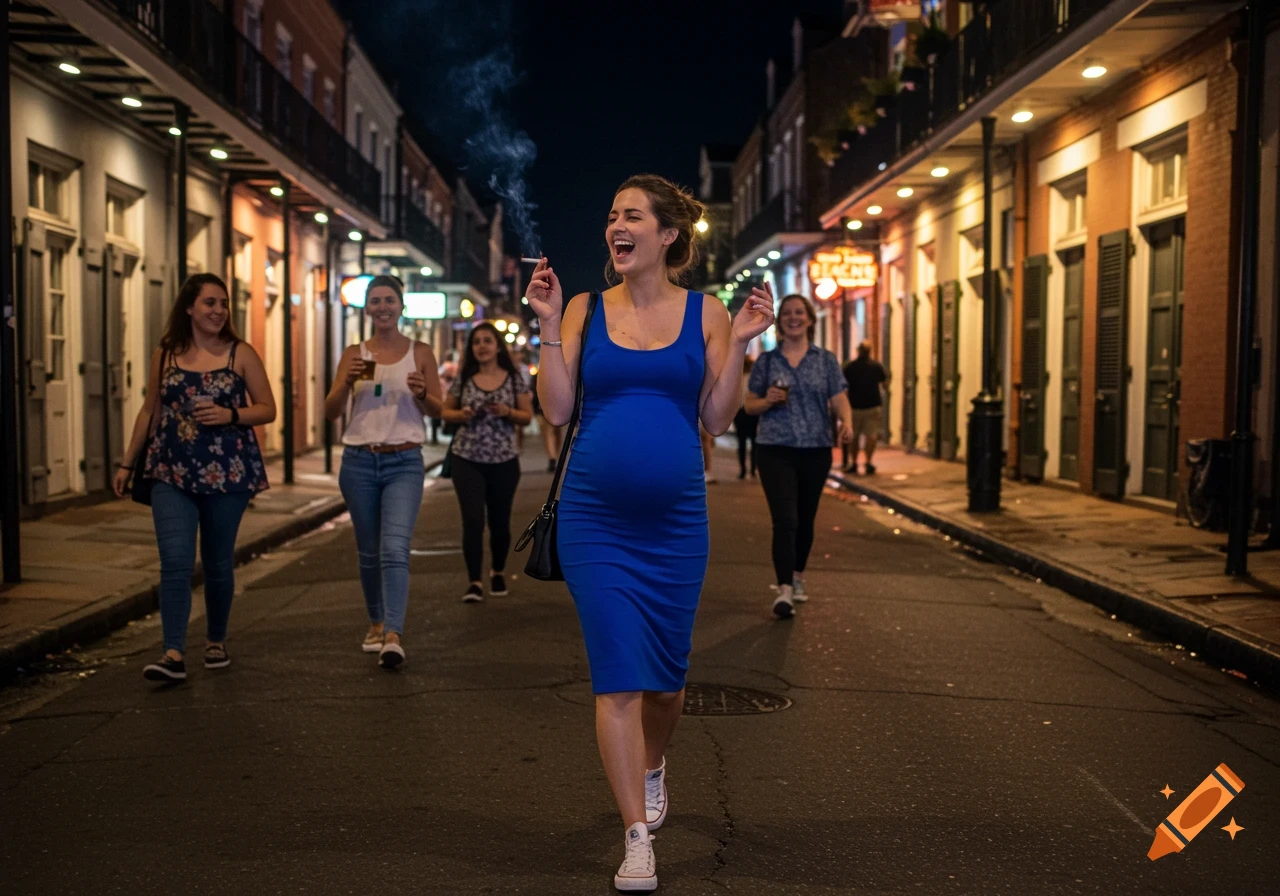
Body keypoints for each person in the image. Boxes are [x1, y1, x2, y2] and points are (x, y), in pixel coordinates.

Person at [526, 173, 774, 893]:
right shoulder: (581, 308)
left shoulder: (708, 312)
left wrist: (746, 345)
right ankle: (636, 835)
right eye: (610, 216)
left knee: (666, 682)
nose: (615, 226)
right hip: (594, 518)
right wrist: (546, 326)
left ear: (668, 235)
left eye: (631, 215)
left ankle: (654, 765)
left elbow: (718, 417)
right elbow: (558, 407)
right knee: (618, 681)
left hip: (675, 524)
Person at [112, 273, 274, 683]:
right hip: (171, 468)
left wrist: (230, 414)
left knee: (218, 562)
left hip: (228, 473)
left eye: (223, 304)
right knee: (175, 562)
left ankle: (215, 639)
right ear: (189, 308)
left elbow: (267, 408)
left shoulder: (241, 353)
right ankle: (172, 653)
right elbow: (150, 410)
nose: (218, 310)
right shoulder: (166, 354)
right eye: (209, 303)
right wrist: (127, 463)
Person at [324, 275, 442, 670]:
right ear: (367, 308)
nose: (382, 307)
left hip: (403, 461)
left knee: (394, 547)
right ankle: (375, 621)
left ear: (401, 306)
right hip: (358, 461)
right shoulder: (354, 353)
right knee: (368, 551)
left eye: (389, 299)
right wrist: (345, 381)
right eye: (375, 301)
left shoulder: (420, 351)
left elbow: (439, 410)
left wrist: (423, 393)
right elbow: (331, 411)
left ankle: (393, 634)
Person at [745, 293, 854, 620]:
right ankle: (784, 591)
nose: (793, 317)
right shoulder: (767, 361)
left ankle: (797, 575)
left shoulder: (826, 360)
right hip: (775, 448)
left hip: (816, 449)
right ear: (781, 321)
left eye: (799, 313)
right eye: (788, 313)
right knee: (786, 519)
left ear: (809, 319)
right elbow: (749, 404)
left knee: (805, 519)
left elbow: (839, 396)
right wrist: (767, 401)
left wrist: (846, 422)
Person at [440, 323, 534, 602]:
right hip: (466, 457)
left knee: (500, 522)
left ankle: (497, 571)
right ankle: (474, 581)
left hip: (503, 460)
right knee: (472, 520)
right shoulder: (464, 377)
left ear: (497, 346)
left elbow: (527, 416)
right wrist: (463, 414)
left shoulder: (513, 377)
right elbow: (446, 411)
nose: (481, 346)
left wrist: (507, 411)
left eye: (487, 341)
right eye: (476, 342)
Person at [842, 340, 887, 474]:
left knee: (853, 436)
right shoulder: (876, 366)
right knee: (871, 435)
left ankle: (854, 462)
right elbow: (885, 384)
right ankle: (868, 462)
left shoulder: (850, 367)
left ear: (858, 351)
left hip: (854, 406)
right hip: (872, 406)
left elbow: (843, 387)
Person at [531, 371, 564, 472]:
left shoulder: (560, 373)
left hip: (556, 406)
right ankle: (553, 458)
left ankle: (554, 457)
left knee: (554, 433)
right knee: (550, 433)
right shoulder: (539, 374)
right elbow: (534, 390)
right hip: (548, 407)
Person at [734, 356, 759, 479]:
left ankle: (743, 470)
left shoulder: (737, 379)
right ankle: (753, 469)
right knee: (754, 442)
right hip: (753, 413)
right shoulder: (753, 380)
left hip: (740, 413)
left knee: (741, 442)